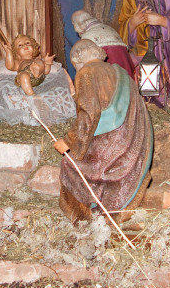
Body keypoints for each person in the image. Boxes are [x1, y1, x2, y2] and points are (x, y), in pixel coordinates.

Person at [54, 40, 153, 224]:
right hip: (131, 144)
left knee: (70, 165)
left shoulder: (86, 73)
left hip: (111, 149)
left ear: (76, 60)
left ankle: (85, 218)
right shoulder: (120, 72)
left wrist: (68, 141)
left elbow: (89, 115)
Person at [71, 9, 136, 79]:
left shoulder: (86, 38)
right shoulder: (109, 29)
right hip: (126, 70)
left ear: (77, 25)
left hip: (109, 75)